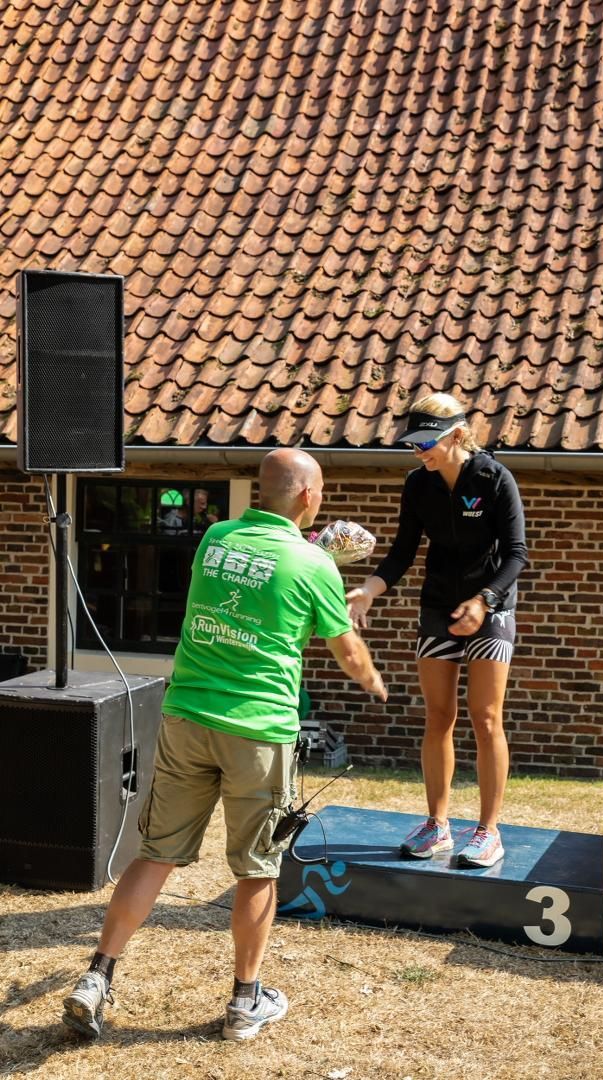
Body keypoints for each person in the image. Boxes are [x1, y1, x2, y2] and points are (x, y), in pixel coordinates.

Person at [62, 449, 387, 1043]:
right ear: (310, 497)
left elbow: (257, 583)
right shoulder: (315, 564)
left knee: (155, 854)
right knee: (258, 869)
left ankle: (96, 977)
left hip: (187, 715)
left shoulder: (215, 538)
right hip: (258, 730)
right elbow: (346, 650)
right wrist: (375, 681)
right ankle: (244, 1001)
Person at [347, 393, 528, 869]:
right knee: (438, 716)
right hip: (438, 607)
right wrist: (368, 590)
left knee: (485, 718)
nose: (418, 452)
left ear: (457, 435)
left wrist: (484, 600)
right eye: (413, 443)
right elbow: (402, 553)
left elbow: (516, 554)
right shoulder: (418, 484)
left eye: (426, 443)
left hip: (491, 607)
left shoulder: (494, 478)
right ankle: (438, 824)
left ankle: (489, 831)